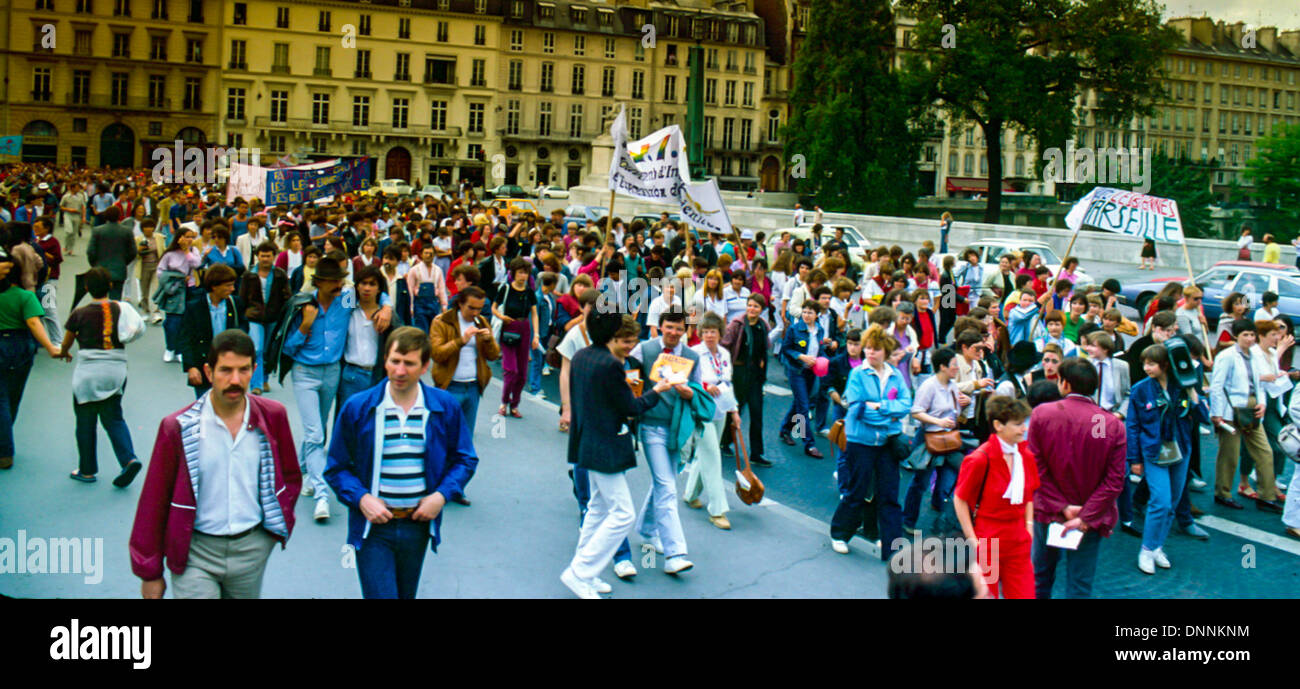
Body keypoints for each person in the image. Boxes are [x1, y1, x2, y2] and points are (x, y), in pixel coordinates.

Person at [129, 330, 302, 599]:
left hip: (251, 551)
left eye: (244, 370)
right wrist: (149, 572)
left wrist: (271, 533)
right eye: (226, 370)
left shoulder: (273, 417)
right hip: (194, 551)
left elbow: (290, 476)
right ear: (209, 372)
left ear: (254, 370)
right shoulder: (178, 427)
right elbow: (154, 500)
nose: (235, 380)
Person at [324, 326, 477, 599]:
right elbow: (336, 467)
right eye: (395, 361)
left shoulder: (443, 407)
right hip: (373, 529)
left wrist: (441, 496)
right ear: (385, 360)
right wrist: (361, 498)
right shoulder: (359, 407)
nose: (400, 371)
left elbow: (465, 458)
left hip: (417, 525)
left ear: (425, 366)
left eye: (409, 363)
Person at [561, 313, 675, 598]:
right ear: (611, 334)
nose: (629, 345)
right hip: (606, 445)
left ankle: (585, 571)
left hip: (587, 441)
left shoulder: (583, 356)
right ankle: (580, 572)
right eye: (624, 339)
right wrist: (659, 389)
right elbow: (631, 407)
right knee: (623, 514)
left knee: (598, 510)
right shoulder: (611, 366)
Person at [280, 253, 393, 524]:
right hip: (304, 373)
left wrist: (387, 306)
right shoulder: (302, 305)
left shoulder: (346, 301)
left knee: (319, 427)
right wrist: (306, 325)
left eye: (340, 281)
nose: (340, 286)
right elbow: (288, 348)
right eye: (333, 282)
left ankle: (303, 472)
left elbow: (375, 294)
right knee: (315, 433)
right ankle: (322, 494)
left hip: (332, 372)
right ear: (318, 283)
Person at [1028, 358, 1127, 599]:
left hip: (1049, 512)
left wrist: (1062, 507)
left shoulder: (1043, 414)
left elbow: (1035, 468)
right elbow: (1113, 480)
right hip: (1090, 516)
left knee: (1040, 577)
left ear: (1065, 384)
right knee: (1079, 584)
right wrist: (1085, 515)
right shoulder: (1104, 422)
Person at [628, 310, 702, 574]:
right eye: (669, 327)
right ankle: (675, 553)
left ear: (685, 330)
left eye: (678, 328)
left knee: (665, 480)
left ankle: (647, 530)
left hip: (678, 428)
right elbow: (631, 378)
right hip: (651, 425)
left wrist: (687, 391)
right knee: (667, 485)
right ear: (659, 327)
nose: (673, 332)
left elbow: (698, 391)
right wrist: (636, 396)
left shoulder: (692, 356)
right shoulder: (644, 349)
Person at [1127, 344, 1208, 574]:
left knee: (1171, 503)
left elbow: (1204, 418)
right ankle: (1146, 549)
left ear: (1165, 365)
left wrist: (1193, 392)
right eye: (1144, 363)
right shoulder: (1140, 389)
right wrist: (1134, 458)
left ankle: (1157, 547)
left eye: (1151, 364)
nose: (1146, 368)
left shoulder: (1181, 386)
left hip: (1181, 450)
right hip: (1153, 451)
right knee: (1160, 501)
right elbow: (1132, 425)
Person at [831, 325, 911, 557]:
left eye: (875, 349)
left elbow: (906, 404)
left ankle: (891, 546)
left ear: (885, 352)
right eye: (867, 348)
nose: (869, 352)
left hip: (887, 443)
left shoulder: (895, 375)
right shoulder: (858, 374)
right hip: (861, 441)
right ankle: (839, 533)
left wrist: (882, 406)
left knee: (889, 494)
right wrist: (890, 415)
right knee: (857, 490)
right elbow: (859, 408)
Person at [60, 267, 144, 486]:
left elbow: (67, 342)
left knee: (85, 421)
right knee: (114, 417)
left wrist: (63, 352)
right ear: (110, 286)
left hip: (87, 373)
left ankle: (87, 470)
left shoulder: (79, 313)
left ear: (86, 288)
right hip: (116, 370)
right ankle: (128, 458)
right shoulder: (120, 309)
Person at [952, 395, 1038, 599]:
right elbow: (960, 499)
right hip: (988, 536)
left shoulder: (1026, 456)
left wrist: (1029, 527)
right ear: (998, 425)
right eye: (1018, 424)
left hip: (1017, 537)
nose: (1023, 429)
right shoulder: (980, 459)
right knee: (986, 595)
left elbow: (1028, 496)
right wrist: (973, 539)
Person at [1208, 319, 1282, 512]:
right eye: (1245, 335)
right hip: (1231, 409)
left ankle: (1266, 496)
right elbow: (1217, 386)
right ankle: (1222, 493)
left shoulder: (1255, 356)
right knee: (1229, 455)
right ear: (1235, 336)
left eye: (1252, 335)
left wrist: (1262, 403)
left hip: (1252, 406)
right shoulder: (1227, 356)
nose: (1250, 339)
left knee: (1265, 452)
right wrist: (1216, 414)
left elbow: (1259, 384)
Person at [902, 347, 970, 534]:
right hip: (929, 439)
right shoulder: (929, 386)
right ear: (942, 366)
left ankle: (941, 522)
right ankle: (908, 520)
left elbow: (956, 414)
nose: (957, 368)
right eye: (954, 365)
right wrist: (938, 421)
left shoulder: (953, 386)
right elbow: (916, 411)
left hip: (949, 440)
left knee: (948, 480)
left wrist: (964, 407)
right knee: (920, 482)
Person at [686, 312, 735, 530]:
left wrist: (735, 411)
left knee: (705, 454)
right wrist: (705, 387)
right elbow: (686, 382)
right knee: (713, 457)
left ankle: (689, 494)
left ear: (720, 333)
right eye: (705, 332)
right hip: (701, 410)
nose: (709, 336)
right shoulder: (694, 353)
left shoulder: (724, 354)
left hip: (721, 408)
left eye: (713, 332)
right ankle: (717, 510)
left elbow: (728, 382)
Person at [335, 266, 403, 409]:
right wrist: (387, 304)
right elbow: (345, 292)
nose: (367, 288)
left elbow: (400, 340)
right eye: (363, 283)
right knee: (350, 422)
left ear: (379, 288)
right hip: (351, 375)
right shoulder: (349, 309)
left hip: (378, 375)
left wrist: (386, 307)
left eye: (372, 284)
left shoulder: (387, 316)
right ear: (357, 286)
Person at [180, 264, 247, 399]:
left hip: (229, 365)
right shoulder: (194, 306)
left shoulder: (235, 304)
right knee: (205, 408)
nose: (232, 289)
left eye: (233, 285)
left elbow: (243, 329)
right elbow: (186, 338)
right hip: (204, 366)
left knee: (229, 407)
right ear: (214, 286)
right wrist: (191, 367)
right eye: (228, 285)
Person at [722, 294, 771, 467]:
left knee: (757, 413)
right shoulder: (737, 325)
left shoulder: (763, 326)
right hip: (739, 371)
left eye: (756, 307)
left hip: (755, 373)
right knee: (736, 409)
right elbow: (725, 346)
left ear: (762, 310)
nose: (752, 309)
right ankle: (725, 441)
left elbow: (765, 348)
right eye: (749, 305)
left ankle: (757, 453)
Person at [239, 242, 292, 395]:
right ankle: (256, 384)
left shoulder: (280, 275)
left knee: (269, 350)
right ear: (257, 257)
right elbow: (242, 296)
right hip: (254, 316)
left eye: (268, 256)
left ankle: (265, 378)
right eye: (262, 256)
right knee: (257, 349)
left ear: (273, 257)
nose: (265, 259)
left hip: (273, 317)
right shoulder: (249, 275)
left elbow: (286, 296)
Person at [492, 258, 539, 419]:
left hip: (524, 328)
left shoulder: (529, 292)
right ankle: (504, 402)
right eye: (520, 272)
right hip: (508, 328)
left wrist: (536, 335)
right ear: (513, 273)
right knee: (510, 370)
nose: (523, 276)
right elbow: (493, 307)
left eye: (525, 272)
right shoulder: (505, 289)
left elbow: (534, 313)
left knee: (522, 374)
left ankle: (515, 404)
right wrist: (501, 316)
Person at [779, 301, 826, 458]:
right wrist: (801, 356)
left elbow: (821, 350)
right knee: (804, 407)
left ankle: (785, 429)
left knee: (799, 402)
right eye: (804, 312)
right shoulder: (794, 329)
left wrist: (823, 361)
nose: (806, 315)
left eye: (810, 313)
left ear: (817, 315)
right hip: (796, 371)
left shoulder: (820, 330)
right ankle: (809, 444)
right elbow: (785, 349)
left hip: (811, 372)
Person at [86, 206, 137, 300]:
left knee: (100, 299)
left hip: (100, 271)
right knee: (115, 300)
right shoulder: (127, 231)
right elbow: (133, 252)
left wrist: (95, 265)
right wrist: (123, 262)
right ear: (119, 216)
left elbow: (90, 252)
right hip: (119, 270)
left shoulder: (97, 231)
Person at [405, 244, 449, 332]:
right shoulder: (414, 270)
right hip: (419, 305)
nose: (428, 255)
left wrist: (444, 305)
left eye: (431, 253)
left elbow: (441, 288)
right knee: (421, 331)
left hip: (434, 304)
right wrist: (411, 306)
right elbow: (410, 288)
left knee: (434, 330)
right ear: (421, 254)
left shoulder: (438, 270)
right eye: (426, 253)